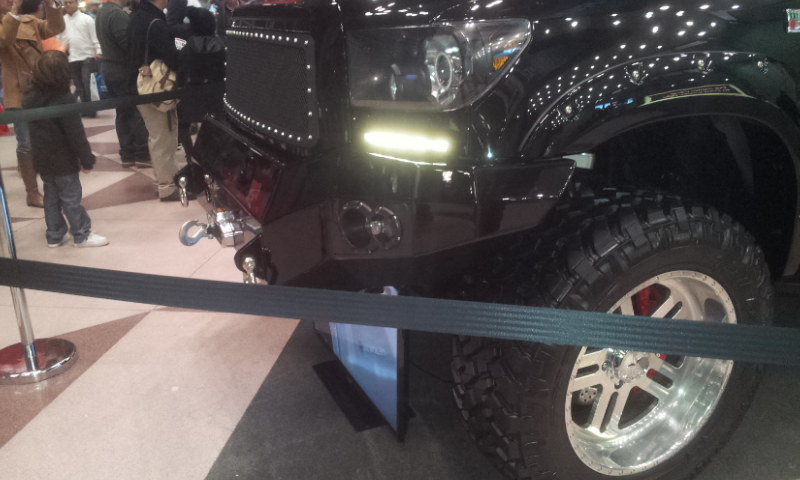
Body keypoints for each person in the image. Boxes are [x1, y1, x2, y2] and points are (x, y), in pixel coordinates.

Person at [22, 50, 108, 247]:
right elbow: (75, 134)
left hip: (42, 159)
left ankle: (55, 234)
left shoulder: (29, 98)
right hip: (64, 161)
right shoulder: (64, 99)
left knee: (51, 199)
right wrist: (87, 160)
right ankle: (82, 234)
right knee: (71, 199)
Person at [0, 0, 65, 208]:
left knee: (50, 139)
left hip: (41, 87)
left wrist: (52, 4)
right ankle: (32, 192)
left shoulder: (29, 21)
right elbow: (4, 39)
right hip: (17, 92)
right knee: (26, 144)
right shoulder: (6, 23)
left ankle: (54, 187)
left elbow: (56, 28)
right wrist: (14, 12)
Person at [129, 0, 183, 201]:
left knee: (157, 136)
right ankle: (168, 187)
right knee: (164, 137)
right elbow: (172, 58)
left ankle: (163, 179)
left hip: (141, 86)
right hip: (158, 90)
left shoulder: (135, 18)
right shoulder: (156, 22)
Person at [95, 0, 150, 168]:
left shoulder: (103, 12)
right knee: (136, 111)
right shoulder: (117, 14)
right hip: (122, 70)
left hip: (109, 68)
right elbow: (128, 44)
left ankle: (127, 154)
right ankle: (141, 153)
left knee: (123, 112)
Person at [176, 6, 223, 164]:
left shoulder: (187, 47)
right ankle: (211, 156)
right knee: (216, 126)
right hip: (215, 92)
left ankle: (190, 155)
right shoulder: (220, 45)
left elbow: (181, 72)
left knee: (183, 123)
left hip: (191, 91)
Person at [61, 0, 101, 117]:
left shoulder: (87, 19)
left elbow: (95, 36)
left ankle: (91, 109)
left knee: (86, 83)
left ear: (76, 3)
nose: (68, 5)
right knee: (79, 85)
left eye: (71, 2)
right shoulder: (62, 21)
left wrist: (98, 50)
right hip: (72, 57)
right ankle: (84, 109)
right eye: (66, 3)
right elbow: (60, 38)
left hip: (87, 56)